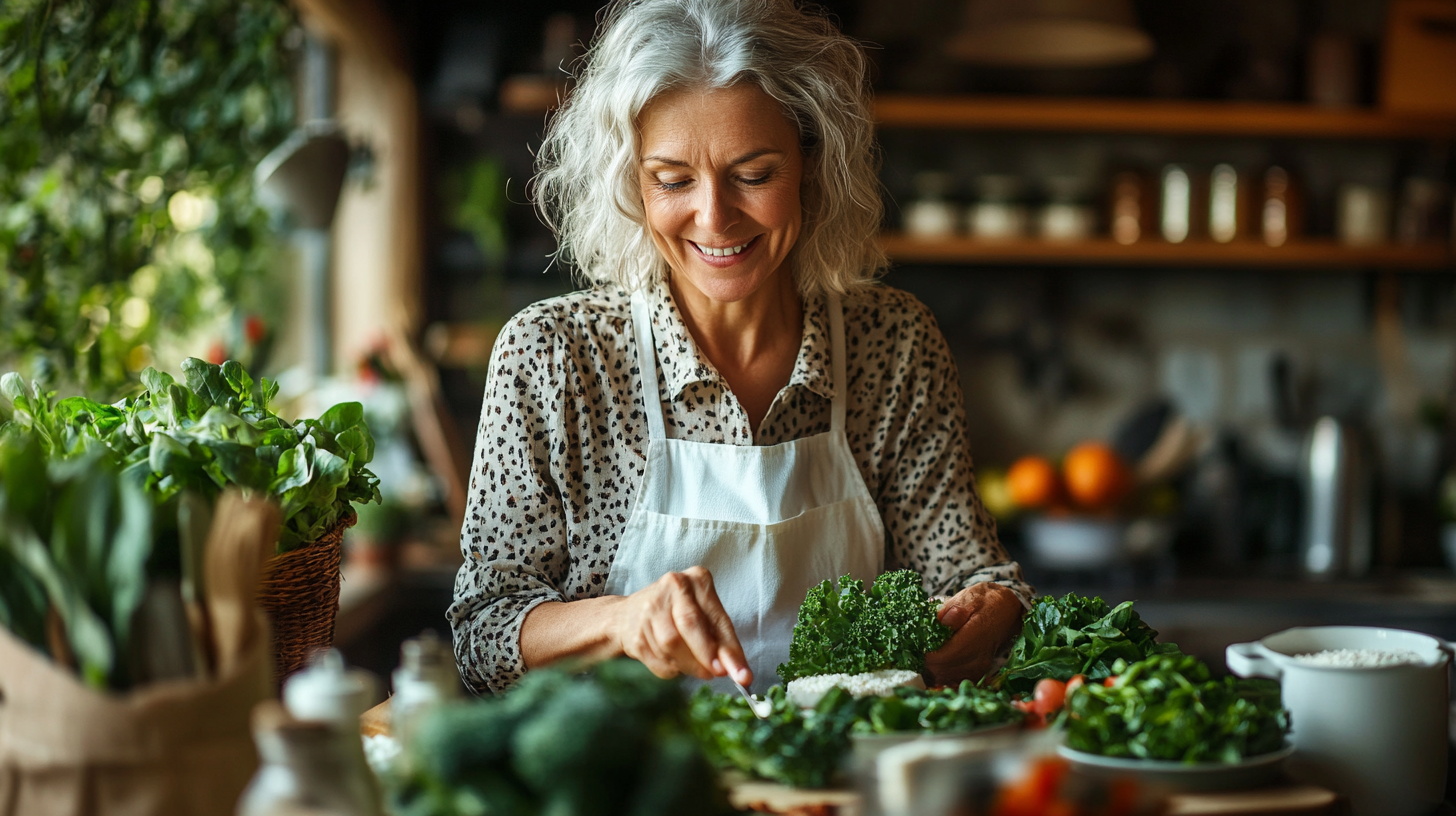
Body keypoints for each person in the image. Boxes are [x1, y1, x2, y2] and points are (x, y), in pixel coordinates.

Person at [448, 0, 1031, 696]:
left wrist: (991, 613)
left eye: (753, 175)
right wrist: (623, 622)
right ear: (629, 180)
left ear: (812, 167)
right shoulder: (554, 358)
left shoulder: (893, 343)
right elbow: (483, 633)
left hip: (839, 785)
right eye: (672, 180)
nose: (715, 216)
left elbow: (972, 575)